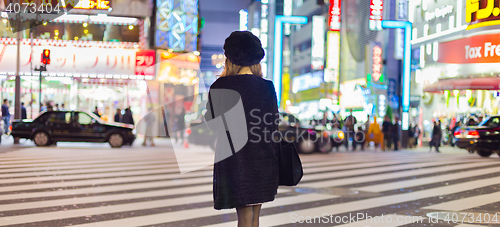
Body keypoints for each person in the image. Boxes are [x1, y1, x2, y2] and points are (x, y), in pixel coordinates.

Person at [204, 31, 279, 227]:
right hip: (264, 157)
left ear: (230, 59)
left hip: (235, 159)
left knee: (244, 217)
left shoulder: (221, 85)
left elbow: (211, 122)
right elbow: (273, 123)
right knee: (255, 216)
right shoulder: (267, 87)